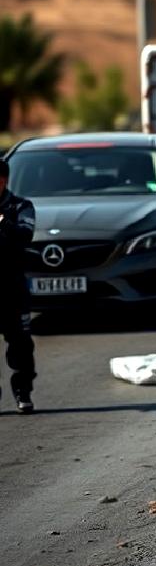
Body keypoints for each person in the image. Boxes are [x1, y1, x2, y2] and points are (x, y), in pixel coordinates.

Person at [0, 159, 36, 413]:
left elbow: (25, 235)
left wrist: (4, 223)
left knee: (21, 346)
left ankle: (23, 391)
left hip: (12, 289)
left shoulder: (20, 206)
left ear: (4, 180)